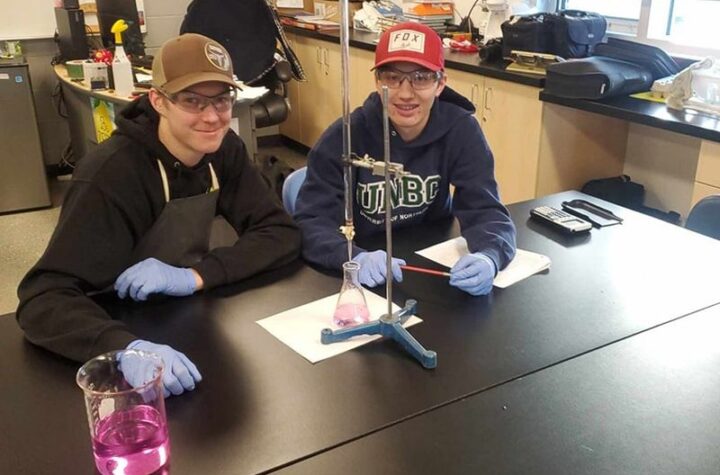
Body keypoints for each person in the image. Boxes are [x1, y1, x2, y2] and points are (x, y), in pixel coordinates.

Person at [16, 33, 301, 397]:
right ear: (158, 100)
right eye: (192, 101)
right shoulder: (112, 174)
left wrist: (195, 275)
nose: (212, 117)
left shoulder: (224, 150)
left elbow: (279, 232)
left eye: (222, 100)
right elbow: (43, 298)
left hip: (187, 319)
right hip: (114, 327)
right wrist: (124, 349)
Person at [294, 22, 516, 296]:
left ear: (440, 83)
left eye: (421, 77)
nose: (405, 93)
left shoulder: (461, 130)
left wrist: (490, 255)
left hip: (431, 267)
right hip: (364, 274)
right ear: (377, 82)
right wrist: (352, 257)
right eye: (392, 77)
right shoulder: (345, 135)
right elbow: (311, 221)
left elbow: (485, 208)